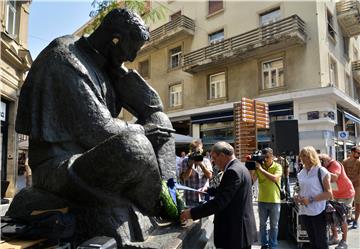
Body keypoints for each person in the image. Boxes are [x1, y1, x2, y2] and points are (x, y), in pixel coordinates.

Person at [11, 9, 177, 244]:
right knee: (136, 146)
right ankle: (157, 204)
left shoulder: (105, 64)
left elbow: (154, 110)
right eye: (132, 48)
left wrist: (132, 85)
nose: (131, 57)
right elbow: (97, 131)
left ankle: (170, 198)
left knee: (161, 122)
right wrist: (143, 130)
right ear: (115, 39)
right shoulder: (65, 58)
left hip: (88, 157)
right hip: (58, 167)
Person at [180, 142, 256, 249]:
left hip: (235, 232)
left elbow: (219, 203)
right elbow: (231, 191)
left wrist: (192, 213)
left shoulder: (232, 171)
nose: (214, 163)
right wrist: (210, 190)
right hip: (240, 231)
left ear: (222, 156)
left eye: (214, 158)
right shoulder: (240, 167)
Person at [294, 146, 332, 249]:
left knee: (321, 243)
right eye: (301, 156)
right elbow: (301, 190)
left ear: (311, 156)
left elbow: (329, 194)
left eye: (305, 155)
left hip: (318, 211)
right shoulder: (301, 173)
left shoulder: (321, 171)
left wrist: (310, 199)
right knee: (312, 242)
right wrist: (297, 197)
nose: (302, 158)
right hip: (304, 211)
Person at [318, 154, 354, 249]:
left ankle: (344, 241)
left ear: (324, 161)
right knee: (331, 216)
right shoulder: (324, 167)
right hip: (334, 195)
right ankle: (335, 237)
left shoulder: (334, 164)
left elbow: (334, 178)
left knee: (342, 217)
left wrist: (322, 170)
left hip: (346, 194)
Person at [251, 147, 282, 249]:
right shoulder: (259, 166)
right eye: (264, 157)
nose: (265, 159)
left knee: (274, 226)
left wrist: (260, 169)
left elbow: (274, 179)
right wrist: (252, 169)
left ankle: (273, 245)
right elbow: (251, 181)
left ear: (272, 156)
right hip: (262, 200)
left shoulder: (278, 166)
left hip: (275, 200)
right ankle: (264, 245)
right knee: (262, 225)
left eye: (268, 157)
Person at [180, 140, 213, 207]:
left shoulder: (206, 161)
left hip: (203, 197)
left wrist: (201, 164)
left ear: (202, 150)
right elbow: (184, 178)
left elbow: (209, 176)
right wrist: (190, 166)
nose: (197, 153)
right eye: (194, 151)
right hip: (190, 198)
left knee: (204, 216)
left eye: (198, 151)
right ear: (190, 151)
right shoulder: (185, 161)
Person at [343, 146, 360, 229]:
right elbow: (344, 174)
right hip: (348, 186)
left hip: (358, 186)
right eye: (358, 152)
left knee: (357, 204)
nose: (359, 154)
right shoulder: (345, 162)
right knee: (347, 204)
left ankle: (356, 220)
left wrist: (353, 180)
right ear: (353, 152)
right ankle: (351, 218)